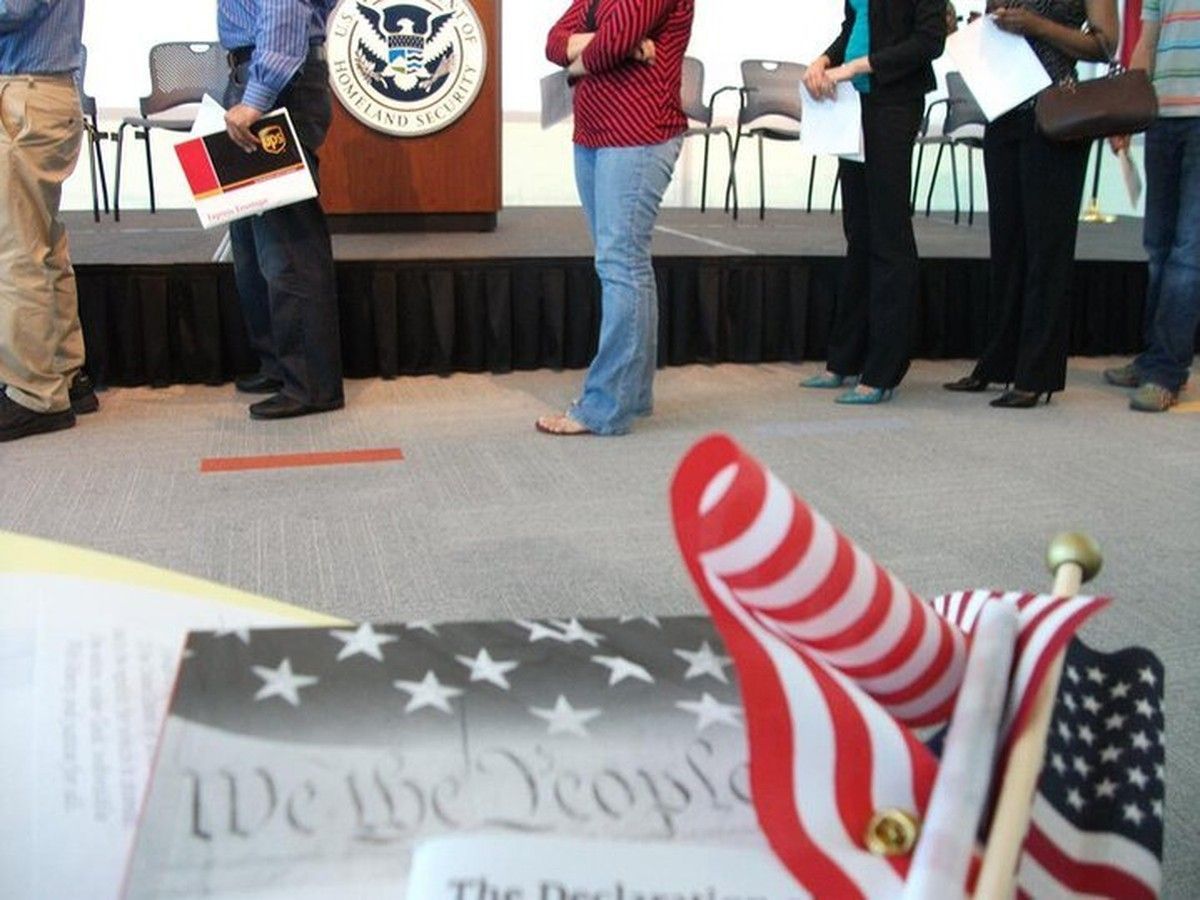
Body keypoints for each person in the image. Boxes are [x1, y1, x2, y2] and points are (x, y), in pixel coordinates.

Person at [943, 0, 1118, 408]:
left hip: (1056, 112)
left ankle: (1037, 374)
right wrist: (982, 29)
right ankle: (998, 362)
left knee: (1047, 249)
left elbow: (1105, 45)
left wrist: (1037, 25)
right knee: (1007, 247)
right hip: (1004, 110)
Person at [537, 0, 694, 436]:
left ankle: (604, 407)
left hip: (638, 134)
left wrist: (579, 63)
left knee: (620, 265)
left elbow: (613, 44)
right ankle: (632, 396)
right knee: (625, 265)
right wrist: (604, 43)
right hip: (593, 134)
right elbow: (553, 42)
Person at [800, 0, 946, 405]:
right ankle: (844, 359)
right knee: (859, 233)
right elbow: (854, 24)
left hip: (894, 102)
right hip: (854, 104)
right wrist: (825, 59)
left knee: (888, 234)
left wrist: (856, 67)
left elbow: (929, 41)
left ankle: (883, 369)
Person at [219, 0, 344, 420]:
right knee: (256, 245)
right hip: (265, 77)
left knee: (288, 247)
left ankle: (311, 383)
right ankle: (281, 365)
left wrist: (257, 95)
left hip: (277, 86)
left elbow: (284, 9)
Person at [0, 0, 99, 443]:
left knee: (16, 251)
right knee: (40, 243)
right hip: (38, 93)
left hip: (27, 96)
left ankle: (34, 394)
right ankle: (64, 375)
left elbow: (14, 8)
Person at [1105, 0, 1199, 412]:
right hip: (1163, 117)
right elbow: (1147, 41)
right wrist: (1129, 113)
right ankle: (1153, 357)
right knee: (1158, 246)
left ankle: (1166, 371)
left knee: (1188, 253)